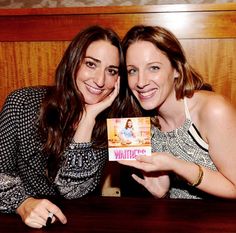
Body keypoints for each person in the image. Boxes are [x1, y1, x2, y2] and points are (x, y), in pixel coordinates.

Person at [0, 25, 125, 228]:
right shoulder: (22, 103)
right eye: (91, 64)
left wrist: (88, 119)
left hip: (79, 222)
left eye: (111, 71)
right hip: (19, 220)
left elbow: (72, 191)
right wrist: (23, 203)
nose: (100, 80)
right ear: (72, 63)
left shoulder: (108, 123)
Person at [118, 25, 236, 199]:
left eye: (154, 68)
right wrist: (161, 194)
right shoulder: (137, 123)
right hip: (178, 220)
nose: (141, 82)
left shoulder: (213, 111)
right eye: (132, 71)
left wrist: (177, 165)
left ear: (176, 69)